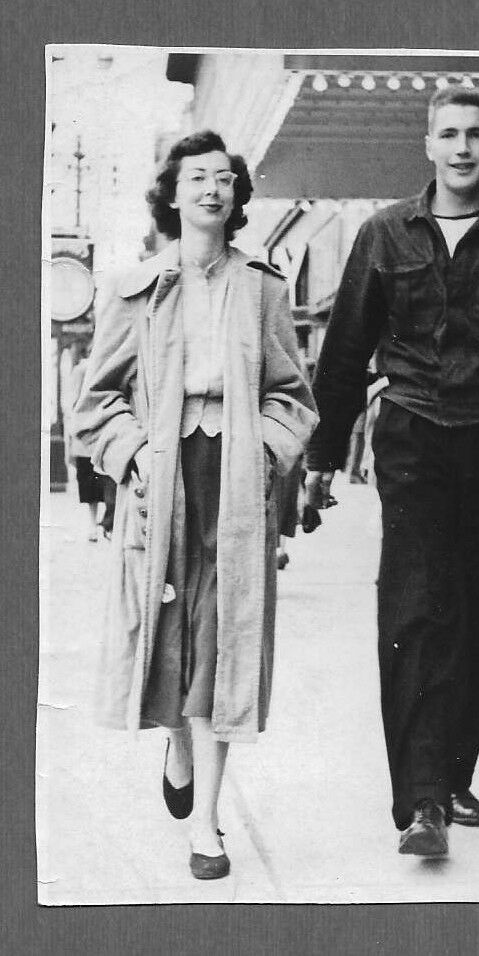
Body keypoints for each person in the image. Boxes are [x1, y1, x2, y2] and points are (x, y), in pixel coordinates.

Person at [304, 86, 479, 857]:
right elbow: (341, 359)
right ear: (426, 145)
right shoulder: (383, 235)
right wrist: (323, 459)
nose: (461, 148)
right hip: (414, 441)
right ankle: (422, 802)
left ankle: (455, 769)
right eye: (448, 134)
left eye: (474, 135)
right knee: (416, 615)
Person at [74, 131, 317, 880]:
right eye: (197, 178)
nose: (211, 189)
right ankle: (176, 743)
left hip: (236, 481)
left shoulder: (264, 288)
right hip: (162, 475)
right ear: (172, 196)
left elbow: (293, 398)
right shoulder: (134, 289)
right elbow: (96, 404)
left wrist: (268, 452)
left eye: (224, 179)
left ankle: (206, 825)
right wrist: (133, 456)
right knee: (169, 633)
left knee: (222, 641)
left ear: (238, 196)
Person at [68, 349, 109, 541]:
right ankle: (95, 524)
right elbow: (74, 401)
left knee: (98, 481)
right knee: (92, 482)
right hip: (88, 435)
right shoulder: (82, 370)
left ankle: (99, 523)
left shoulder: (101, 366)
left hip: (99, 434)